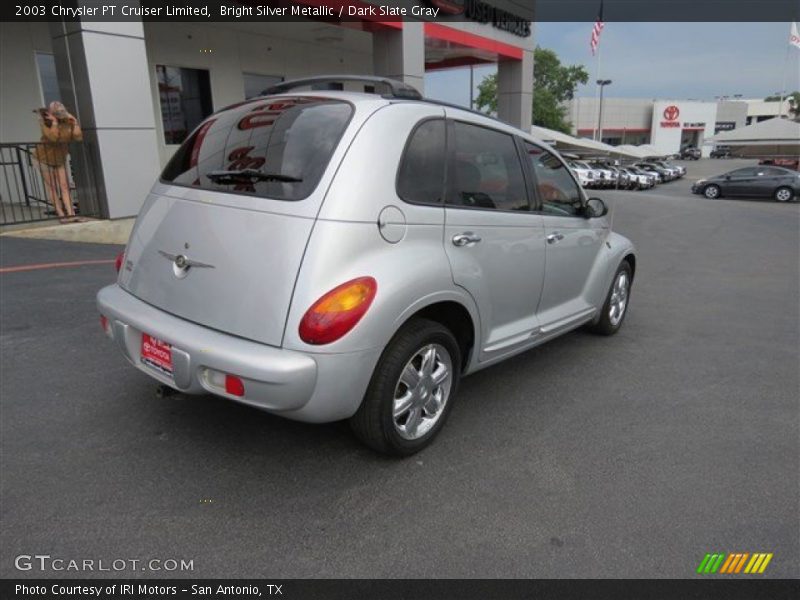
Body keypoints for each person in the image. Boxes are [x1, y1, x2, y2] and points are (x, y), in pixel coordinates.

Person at [33, 101, 83, 223]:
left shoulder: (68, 122)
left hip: (60, 158)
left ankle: (71, 214)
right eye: (56, 109)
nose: (60, 112)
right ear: (51, 112)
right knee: (52, 187)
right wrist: (54, 123)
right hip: (43, 159)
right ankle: (61, 215)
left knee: (64, 186)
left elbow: (78, 137)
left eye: (61, 108)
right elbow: (53, 138)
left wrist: (75, 122)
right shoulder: (46, 122)